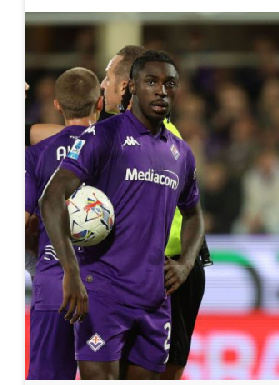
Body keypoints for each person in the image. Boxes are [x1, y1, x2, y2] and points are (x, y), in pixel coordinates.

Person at [39, 50, 205, 380]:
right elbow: (52, 198)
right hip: (102, 295)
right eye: (151, 82)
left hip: (156, 300)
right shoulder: (104, 136)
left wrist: (186, 264)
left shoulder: (181, 153)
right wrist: (70, 271)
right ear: (132, 87)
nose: (161, 91)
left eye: (169, 84)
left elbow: (195, 216)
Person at [101, 45, 212, 380]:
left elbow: (194, 214)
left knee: (165, 370)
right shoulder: (117, 133)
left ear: (125, 86)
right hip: (138, 272)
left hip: (171, 271)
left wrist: (185, 264)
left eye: (106, 77)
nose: (102, 85)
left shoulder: (163, 142)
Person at [25, 67, 103, 379]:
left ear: (57, 105)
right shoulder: (121, 152)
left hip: (54, 290)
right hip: (105, 294)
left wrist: (40, 260)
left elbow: (22, 224)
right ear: (99, 103)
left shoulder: (37, 155)